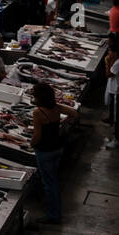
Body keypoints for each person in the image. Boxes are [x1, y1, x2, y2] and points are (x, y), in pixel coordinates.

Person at [31, 83, 73, 225]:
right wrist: (63, 125)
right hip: (57, 148)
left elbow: (37, 136)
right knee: (53, 180)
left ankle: (53, 215)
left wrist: (31, 144)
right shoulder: (57, 107)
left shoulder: (38, 112)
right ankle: (56, 210)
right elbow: (75, 113)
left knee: (49, 183)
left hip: (44, 151)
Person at [102, 33, 119, 150]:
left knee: (117, 117)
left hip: (117, 92)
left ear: (116, 53)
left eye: (110, 51)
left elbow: (108, 74)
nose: (109, 53)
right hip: (116, 91)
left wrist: (107, 62)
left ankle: (117, 139)